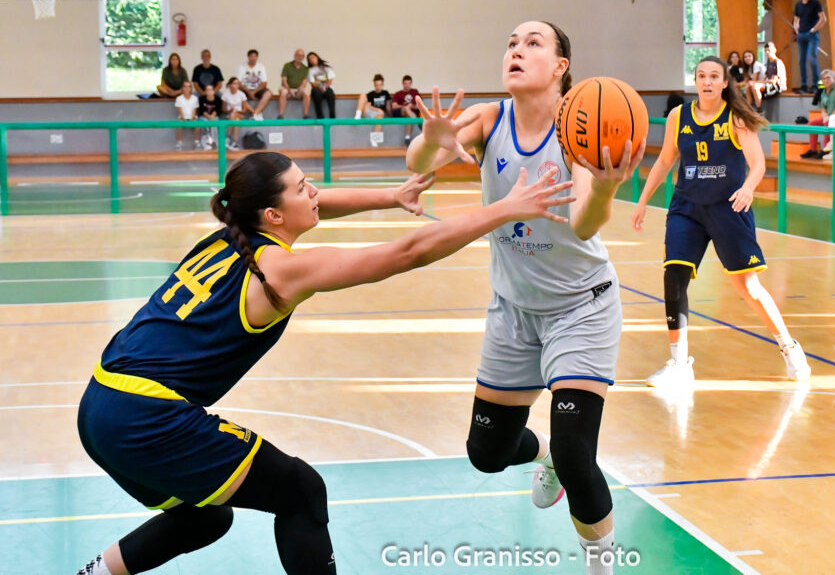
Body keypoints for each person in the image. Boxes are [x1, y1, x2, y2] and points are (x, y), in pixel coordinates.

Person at [73, 151, 571, 575]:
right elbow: (410, 251)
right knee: (300, 491)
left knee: (205, 517)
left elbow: (313, 206)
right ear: (272, 214)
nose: (316, 192)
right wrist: (506, 208)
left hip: (99, 407)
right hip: (146, 416)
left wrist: (389, 197)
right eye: (303, 186)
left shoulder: (228, 235)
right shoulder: (282, 269)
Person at [406, 20, 644, 575]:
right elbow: (417, 164)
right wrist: (433, 141)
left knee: (577, 454)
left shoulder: (580, 127)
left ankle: (600, 566)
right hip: (513, 311)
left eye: (533, 43)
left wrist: (605, 187)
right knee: (485, 456)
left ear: (561, 66)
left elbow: (584, 225)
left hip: (580, 309)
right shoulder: (489, 119)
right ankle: (544, 459)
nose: (516, 49)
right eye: (511, 42)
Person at [631, 56, 811, 389]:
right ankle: (679, 362)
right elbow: (665, 160)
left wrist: (747, 188)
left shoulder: (735, 118)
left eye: (714, 76)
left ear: (724, 82)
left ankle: (788, 345)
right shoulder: (678, 116)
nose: (708, 82)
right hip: (687, 206)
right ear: (695, 81)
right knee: (675, 277)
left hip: (729, 207)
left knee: (749, 287)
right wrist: (642, 200)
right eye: (702, 76)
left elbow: (757, 163)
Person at [792, 0, 826, 92]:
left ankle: (816, 85)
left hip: (812, 35)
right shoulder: (798, 5)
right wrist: (796, 30)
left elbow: (823, 19)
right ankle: (804, 85)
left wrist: (814, 29)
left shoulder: (815, 3)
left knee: (812, 59)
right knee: (801, 60)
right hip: (801, 35)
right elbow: (796, 20)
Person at [801, 68, 835, 159]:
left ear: (833, 78)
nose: (826, 80)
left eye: (828, 78)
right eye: (824, 79)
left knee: (828, 123)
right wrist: (825, 116)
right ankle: (813, 149)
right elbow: (823, 108)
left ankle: (825, 149)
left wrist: (831, 116)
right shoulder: (823, 92)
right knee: (812, 123)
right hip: (828, 116)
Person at [747, 41, 786, 113]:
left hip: (777, 86)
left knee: (755, 86)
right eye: (765, 51)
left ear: (774, 50)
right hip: (769, 85)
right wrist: (754, 82)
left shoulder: (778, 62)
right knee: (749, 85)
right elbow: (764, 78)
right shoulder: (768, 63)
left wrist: (757, 83)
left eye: (769, 50)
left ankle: (759, 110)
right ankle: (749, 109)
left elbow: (773, 81)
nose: (767, 52)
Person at [355, 74, 391, 147]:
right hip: (369, 112)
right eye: (376, 85)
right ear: (374, 85)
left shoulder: (385, 93)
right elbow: (368, 106)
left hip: (379, 115)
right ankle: (358, 115)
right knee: (362, 95)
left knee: (380, 117)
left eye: (380, 85)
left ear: (382, 84)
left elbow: (388, 107)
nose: (378, 87)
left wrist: (391, 116)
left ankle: (374, 140)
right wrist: (378, 109)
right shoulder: (371, 94)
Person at [236, 49, 273, 121]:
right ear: (248, 57)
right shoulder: (241, 66)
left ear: (257, 57)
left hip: (258, 89)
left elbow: (264, 83)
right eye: (251, 56)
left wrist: (254, 92)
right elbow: (238, 82)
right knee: (238, 94)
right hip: (245, 89)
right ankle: (254, 112)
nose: (253, 58)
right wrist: (249, 92)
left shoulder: (261, 66)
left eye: (255, 57)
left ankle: (255, 114)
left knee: (269, 93)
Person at [221, 77, 255, 151]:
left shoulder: (241, 94)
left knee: (235, 116)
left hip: (240, 114)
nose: (236, 85)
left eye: (238, 84)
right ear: (230, 84)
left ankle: (228, 138)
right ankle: (235, 143)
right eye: (235, 83)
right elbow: (223, 109)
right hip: (229, 115)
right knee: (235, 120)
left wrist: (237, 111)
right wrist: (230, 109)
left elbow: (244, 109)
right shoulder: (225, 94)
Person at [278, 49, 311, 119]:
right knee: (283, 92)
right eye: (298, 55)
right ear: (294, 56)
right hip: (287, 89)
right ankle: (280, 115)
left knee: (307, 92)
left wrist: (298, 90)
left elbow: (304, 83)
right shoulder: (287, 65)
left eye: (302, 56)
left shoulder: (305, 68)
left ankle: (306, 115)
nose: (300, 57)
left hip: (298, 90)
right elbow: (284, 81)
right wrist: (290, 90)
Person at [391, 75, 422, 145]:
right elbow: (394, 106)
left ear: (411, 84)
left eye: (409, 83)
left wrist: (412, 106)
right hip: (401, 112)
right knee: (406, 108)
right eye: (405, 83)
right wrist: (405, 106)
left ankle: (407, 137)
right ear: (403, 84)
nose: (407, 85)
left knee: (409, 117)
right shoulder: (398, 94)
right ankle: (418, 122)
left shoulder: (415, 92)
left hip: (411, 113)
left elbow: (419, 106)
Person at [306, 52, 336, 120]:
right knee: (316, 93)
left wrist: (325, 87)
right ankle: (320, 116)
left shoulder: (327, 67)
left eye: (313, 58)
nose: (312, 60)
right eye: (310, 59)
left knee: (330, 93)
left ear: (317, 57)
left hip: (327, 87)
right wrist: (320, 87)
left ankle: (332, 116)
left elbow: (330, 80)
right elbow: (312, 83)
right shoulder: (310, 70)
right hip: (317, 88)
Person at [173, 81, 200, 151]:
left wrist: (192, 118)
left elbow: (194, 110)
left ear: (191, 88)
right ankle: (179, 143)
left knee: (197, 124)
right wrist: (183, 118)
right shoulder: (179, 98)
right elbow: (180, 111)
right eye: (185, 86)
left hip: (192, 118)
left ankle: (196, 142)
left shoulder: (195, 98)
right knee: (178, 124)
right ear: (182, 88)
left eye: (189, 86)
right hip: (183, 118)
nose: (187, 88)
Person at [197, 84, 220, 150]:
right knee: (204, 122)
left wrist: (212, 116)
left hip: (214, 117)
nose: (209, 91)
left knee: (215, 123)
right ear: (205, 91)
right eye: (208, 90)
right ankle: (206, 143)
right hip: (204, 117)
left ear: (213, 91)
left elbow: (217, 110)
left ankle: (216, 142)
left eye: (211, 90)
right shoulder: (201, 99)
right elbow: (202, 111)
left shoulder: (217, 99)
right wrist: (208, 117)